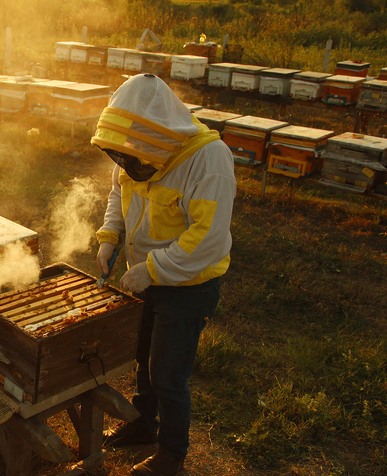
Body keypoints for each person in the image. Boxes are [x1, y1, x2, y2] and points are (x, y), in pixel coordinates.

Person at [93, 74, 236, 476]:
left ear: (157, 137)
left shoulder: (210, 161)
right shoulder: (136, 148)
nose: (124, 163)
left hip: (188, 286)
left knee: (168, 375)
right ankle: (143, 426)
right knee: (143, 357)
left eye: (129, 156)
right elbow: (120, 192)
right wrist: (110, 235)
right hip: (146, 278)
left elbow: (207, 238)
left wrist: (153, 269)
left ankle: (172, 455)